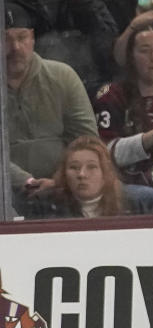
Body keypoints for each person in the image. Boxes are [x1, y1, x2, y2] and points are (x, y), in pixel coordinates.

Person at [4, 1, 99, 216]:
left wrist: (59, 180)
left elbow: (87, 142)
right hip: (5, 192)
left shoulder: (63, 76)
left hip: (67, 186)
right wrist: (27, 182)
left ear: (33, 39)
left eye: (21, 37)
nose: (15, 48)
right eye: (5, 39)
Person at [94, 23, 153, 190]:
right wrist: (147, 140)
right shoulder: (111, 94)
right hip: (124, 182)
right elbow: (102, 152)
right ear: (131, 56)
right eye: (145, 51)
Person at [26, 136, 134, 219]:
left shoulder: (134, 203)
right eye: (74, 167)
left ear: (105, 172)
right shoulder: (43, 205)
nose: (82, 174)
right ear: (64, 173)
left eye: (91, 167)